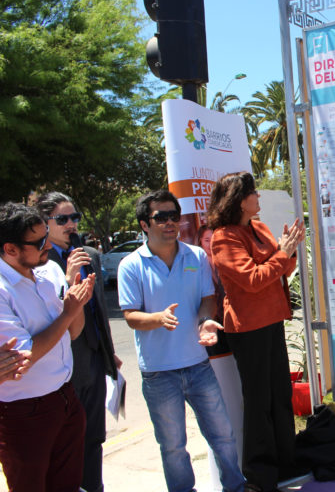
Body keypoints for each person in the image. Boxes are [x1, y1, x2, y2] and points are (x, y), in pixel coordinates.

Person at [117, 190, 245, 492]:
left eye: (174, 216)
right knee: (173, 447)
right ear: (144, 225)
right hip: (159, 373)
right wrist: (158, 319)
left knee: (223, 436)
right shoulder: (131, 265)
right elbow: (131, 316)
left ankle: (236, 488)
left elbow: (206, 299)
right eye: (161, 217)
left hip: (198, 367)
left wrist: (203, 321)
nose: (170, 222)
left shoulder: (196, 255)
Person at [207, 171, 305, 492]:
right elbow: (252, 279)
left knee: (280, 394)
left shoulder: (259, 228)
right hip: (248, 329)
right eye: (253, 193)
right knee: (259, 400)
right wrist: (282, 253)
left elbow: (280, 270)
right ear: (238, 198)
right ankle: (260, 474)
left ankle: (286, 460)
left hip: (272, 320)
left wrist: (289, 252)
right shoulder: (224, 237)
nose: (258, 197)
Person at [0, 202, 95, 491]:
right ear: (11, 249)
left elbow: (73, 334)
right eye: (40, 242)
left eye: (46, 237)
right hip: (24, 414)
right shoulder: (3, 289)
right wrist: (68, 312)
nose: (48, 245)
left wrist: (75, 304)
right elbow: (24, 356)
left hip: (65, 398)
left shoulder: (50, 271)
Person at [36, 191, 120, 492]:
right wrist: (66, 280)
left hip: (95, 357)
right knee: (67, 440)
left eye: (75, 218)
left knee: (94, 436)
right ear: (45, 223)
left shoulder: (90, 256)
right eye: (62, 219)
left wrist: (110, 354)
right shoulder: (40, 264)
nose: (71, 224)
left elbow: (100, 311)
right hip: (64, 360)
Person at [197, 224, 245, 492]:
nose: (210, 244)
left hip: (234, 338)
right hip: (212, 345)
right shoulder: (198, 268)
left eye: (213, 239)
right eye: (205, 239)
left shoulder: (226, 262)